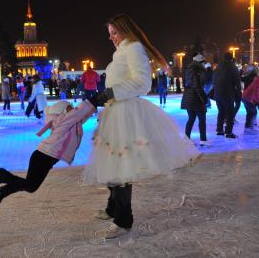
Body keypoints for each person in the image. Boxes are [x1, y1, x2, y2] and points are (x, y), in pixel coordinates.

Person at [82, 14, 200, 239]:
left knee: (120, 166)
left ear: (125, 31)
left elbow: (143, 83)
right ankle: (112, 208)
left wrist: (111, 92)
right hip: (115, 112)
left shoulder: (133, 48)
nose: (112, 38)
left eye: (114, 33)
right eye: (109, 34)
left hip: (126, 114)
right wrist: (107, 99)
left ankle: (123, 219)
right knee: (112, 162)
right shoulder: (121, 53)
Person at [0, 100, 96, 210]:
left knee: (30, 185)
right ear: (62, 112)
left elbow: (82, 116)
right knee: (30, 186)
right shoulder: (64, 122)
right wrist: (95, 99)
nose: (72, 109)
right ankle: (0, 183)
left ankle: (0, 186)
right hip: (42, 157)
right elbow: (79, 113)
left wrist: (94, 105)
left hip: (43, 157)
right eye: (69, 108)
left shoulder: (72, 123)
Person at [181, 53, 209, 146]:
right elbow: (198, 86)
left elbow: (186, 84)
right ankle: (203, 140)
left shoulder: (189, 69)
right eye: (203, 62)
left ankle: (187, 138)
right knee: (202, 119)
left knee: (191, 118)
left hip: (188, 97)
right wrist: (205, 99)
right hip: (196, 98)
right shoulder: (197, 70)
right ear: (200, 62)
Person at [212, 52, 241, 139]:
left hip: (217, 93)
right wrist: (238, 95)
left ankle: (219, 130)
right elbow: (237, 82)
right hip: (228, 94)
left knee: (221, 112)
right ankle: (228, 132)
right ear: (231, 58)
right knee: (230, 113)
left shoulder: (218, 67)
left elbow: (213, 80)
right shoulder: (232, 67)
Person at [242, 70, 259, 134]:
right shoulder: (258, 82)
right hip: (248, 98)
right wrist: (258, 102)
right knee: (253, 112)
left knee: (251, 112)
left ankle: (249, 127)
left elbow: (257, 92)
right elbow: (256, 93)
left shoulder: (257, 81)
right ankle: (248, 128)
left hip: (246, 98)